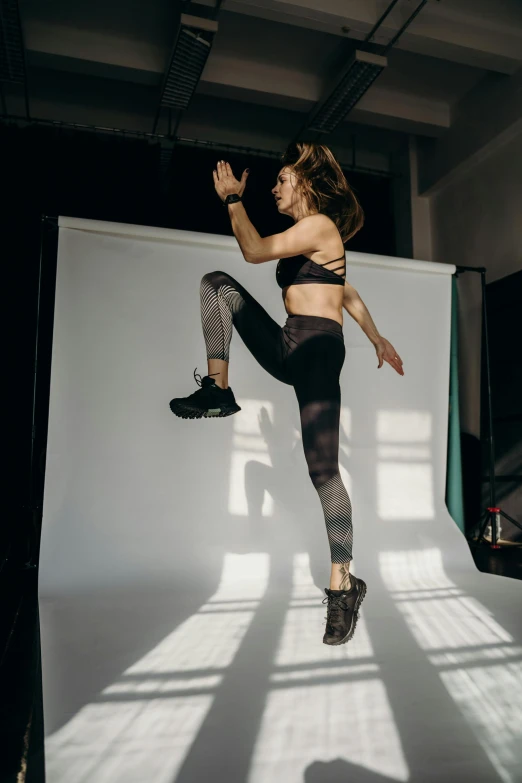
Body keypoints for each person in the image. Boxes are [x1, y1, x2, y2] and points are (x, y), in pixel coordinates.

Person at [169, 142, 405, 645]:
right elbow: (348, 288)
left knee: (323, 472)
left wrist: (234, 200)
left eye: (281, 179)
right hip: (288, 343)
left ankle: (344, 585)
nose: (274, 186)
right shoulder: (307, 237)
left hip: (318, 351)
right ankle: (218, 390)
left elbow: (255, 250)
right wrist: (378, 336)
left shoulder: (320, 226)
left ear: (306, 184)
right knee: (217, 286)